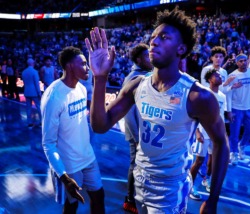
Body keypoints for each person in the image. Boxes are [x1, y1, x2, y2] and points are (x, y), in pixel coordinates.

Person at [85, 7, 229, 213]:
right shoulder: (136, 85)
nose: (154, 41)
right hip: (140, 180)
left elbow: (221, 143)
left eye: (164, 37)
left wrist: (213, 199)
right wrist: (100, 78)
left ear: (180, 49)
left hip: (170, 188)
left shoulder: (198, 96)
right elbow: (99, 125)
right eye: (153, 37)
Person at [40, 46, 105, 214]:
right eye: (83, 64)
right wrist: (63, 175)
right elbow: (48, 143)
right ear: (69, 66)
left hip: (88, 157)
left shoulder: (82, 89)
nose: (87, 68)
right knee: (72, 206)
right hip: (69, 166)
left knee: (99, 197)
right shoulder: (54, 97)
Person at [122, 43, 153, 214]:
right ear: (139, 59)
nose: (151, 59)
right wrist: (137, 137)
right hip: (137, 133)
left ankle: (140, 196)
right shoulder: (134, 78)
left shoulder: (146, 75)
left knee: (142, 166)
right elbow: (129, 111)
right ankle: (129, 199)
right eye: (147, 56)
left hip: (145, 133)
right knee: (135, 165)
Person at [190, 69, 227, 199]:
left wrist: (222, 133)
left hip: (215, 133)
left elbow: (221, 116)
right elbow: (195, 115)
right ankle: (191, 186)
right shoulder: (204, 94)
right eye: (216, 75)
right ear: (209, 79)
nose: (220, 77)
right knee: (199, 161)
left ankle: (207, 180)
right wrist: (197, 132)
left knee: (213, 160)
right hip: (203, 133)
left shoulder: (222, 96)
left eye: (220, 75)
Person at [226, 54, 250, 165]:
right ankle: (234, 153)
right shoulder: (232, 75)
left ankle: (242, 146)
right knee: (234, 133)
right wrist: (229, 110)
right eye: (241, 61)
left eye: (245, 60)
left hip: (249, 108)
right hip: (236, 108)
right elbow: (229, 94)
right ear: (237, 63)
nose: (243, 62)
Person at [21, 58, 42, 129]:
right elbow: (37, 84)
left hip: (27, 91)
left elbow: (24, 82)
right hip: (34, 92)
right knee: (38, 107)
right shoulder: (34, 72)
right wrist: (39, 93)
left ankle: (29, 123)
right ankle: (42, 121)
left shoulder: (24, 72)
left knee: (28, 108)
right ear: (32, 63)